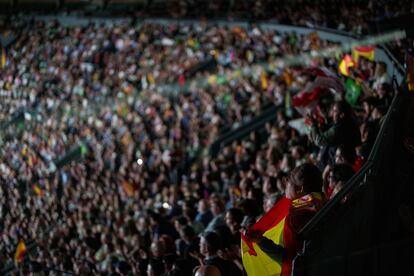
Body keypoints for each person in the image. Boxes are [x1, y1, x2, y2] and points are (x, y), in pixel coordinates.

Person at [242, 163, 325, 276]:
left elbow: (289, 259)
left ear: (300, 188)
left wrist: (261, 241)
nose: (285, 184)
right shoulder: (324, 202)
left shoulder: (296, 216)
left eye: (288, 180)